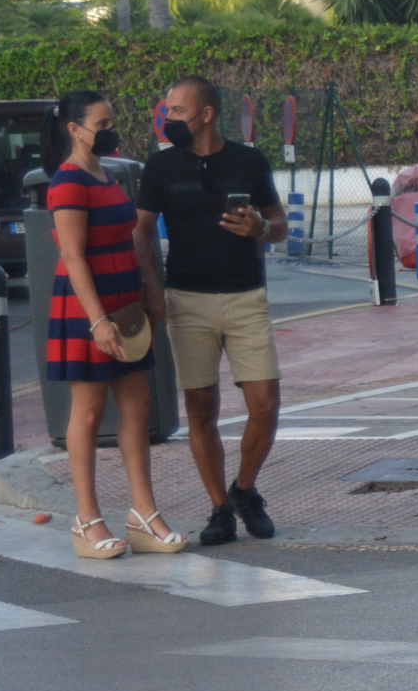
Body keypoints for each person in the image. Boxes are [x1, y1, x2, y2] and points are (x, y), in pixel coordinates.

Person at [135, 75, 290, 548]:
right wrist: (153, 288)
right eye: (167, 110)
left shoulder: (249, 160)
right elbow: (141, 230)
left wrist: (260, 227)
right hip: (187, 298)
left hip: (245, 297)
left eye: (177, 111)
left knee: (265, 404)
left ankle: (245, 490)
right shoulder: (160, 166)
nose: (168, 118)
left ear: (206, 114)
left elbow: (280, 224)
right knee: (201, 408)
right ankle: (220, 508)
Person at [45, 90, 185, 559]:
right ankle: (87, 520)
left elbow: (128, 239)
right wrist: (96, 319)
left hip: (125, 305)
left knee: (137, 406)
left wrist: (146, 287)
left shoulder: (106, 174)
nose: (110, 130)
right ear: (74, 129)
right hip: (91, 309)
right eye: (101, 124)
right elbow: (71, 255)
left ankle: (142, 514)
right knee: (87, 412)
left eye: (111, 121)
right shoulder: (67, 182)